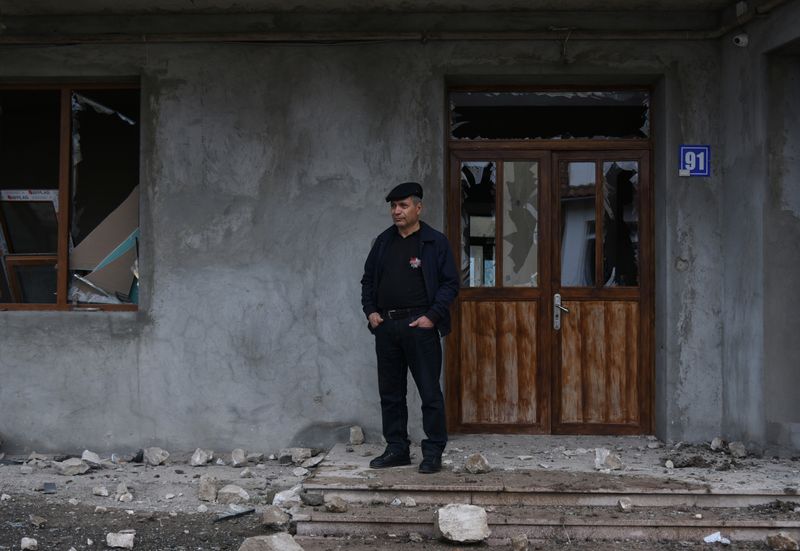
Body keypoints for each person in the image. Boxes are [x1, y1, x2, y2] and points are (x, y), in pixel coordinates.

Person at [360, 181, 459, 474]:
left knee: (429, 392)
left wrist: (432, 316)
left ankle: (432, 452)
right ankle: (397, 449)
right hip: (387, 326)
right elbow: (367, 281)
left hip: (420, 327)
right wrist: (371, 312)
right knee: (391, 393)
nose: (396, 211)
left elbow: (450, 283)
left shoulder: (433, 242)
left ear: (419, 207)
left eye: (403, 205)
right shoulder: (383, 242)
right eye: (393, 206)